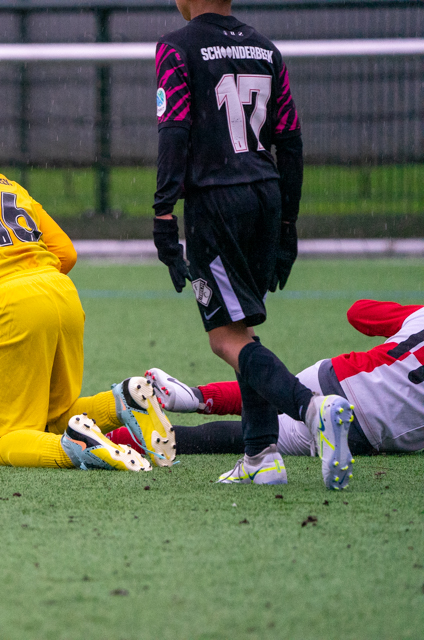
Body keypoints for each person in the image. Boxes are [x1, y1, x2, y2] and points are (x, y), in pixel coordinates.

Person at [0, 99, 175, 473]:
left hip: (11, 305)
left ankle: (78, 450)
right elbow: (66, 253)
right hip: (62, 294)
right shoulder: (7, 185)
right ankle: (124, 401)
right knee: (56, 417)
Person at [152, 0, 356, 489]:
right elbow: (291, 140)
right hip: (266, 195)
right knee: (241, 328)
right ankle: (262, 454)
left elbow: (174, 132)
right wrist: (288, 222)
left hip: (217, 202)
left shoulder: (176, 48)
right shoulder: (265, 49)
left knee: (225, 337)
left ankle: (313, 409)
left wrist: (164, 215)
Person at [144, 299, 424, 457]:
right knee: (240, 437)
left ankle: (196, 396)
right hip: (367, 427)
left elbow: (358, 313)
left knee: (274, 391)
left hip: (337, 374)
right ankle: (131, 439)